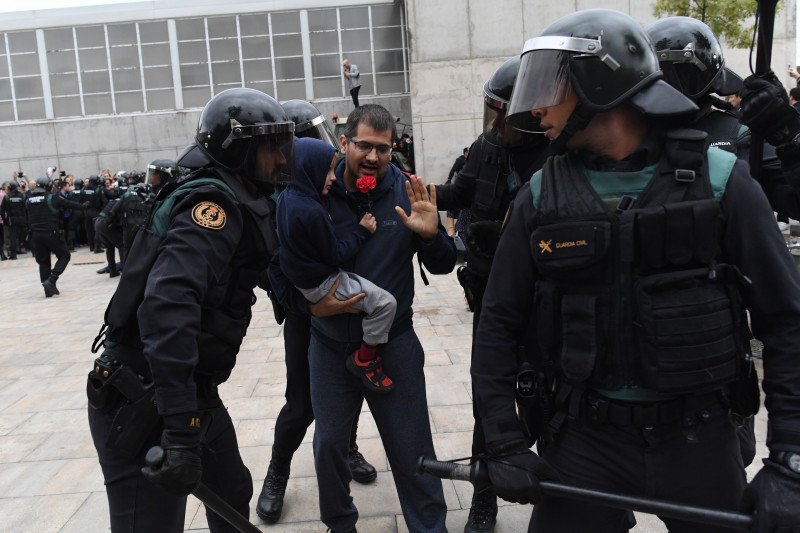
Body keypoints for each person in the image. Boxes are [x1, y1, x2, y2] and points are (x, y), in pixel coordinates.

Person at [471, 9, 800, 533]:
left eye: (550, 84)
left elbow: (786, 320)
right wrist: (503, 439)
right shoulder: (541, 195)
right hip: (584, 437)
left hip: (699, 437)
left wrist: (790, 458)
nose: (535, 109)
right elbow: (497, 324)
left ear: (598, 82)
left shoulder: (723, 181)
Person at [87, 87, 292, 533]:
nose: (282, 159)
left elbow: (247, 271)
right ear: (238, 150)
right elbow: (167, 309)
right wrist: (180, 435)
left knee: (232, 495)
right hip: (144, 398)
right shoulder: (211, 207)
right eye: (271, 147)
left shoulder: (238, 196)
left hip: (187, 393)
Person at [268, 104, 455, 533]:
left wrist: (431, 236)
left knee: (413, 452)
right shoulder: (312, 189)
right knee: (329, 445)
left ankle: (430, 528)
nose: (373, 157)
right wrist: (308, 307)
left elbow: (443, 264)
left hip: (394, 346)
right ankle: (340, 525)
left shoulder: (408, 190)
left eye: (384, 149)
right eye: (365, 146)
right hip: (329, 348)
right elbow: (275, 267)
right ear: (346, 143)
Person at [435, 55, 550, 533]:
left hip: (546, 306)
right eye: (492, 112)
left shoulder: (559, 157)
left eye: (504, 114)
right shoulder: (486, 148)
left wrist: (500, 237)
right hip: (489, 299)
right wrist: (407, 190)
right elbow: (459, 193)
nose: (495, 124)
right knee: (489, 398)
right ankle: (485, 498)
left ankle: (563, 499)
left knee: (550, 403)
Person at [256, 100, 377, 525]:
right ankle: (277, 472)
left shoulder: (335, 182)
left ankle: (347, 447)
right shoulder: (278, 197)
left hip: (344, 307)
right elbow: (270, 267)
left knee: (348, 387)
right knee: (302, 403)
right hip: (306, 314)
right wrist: (307, 304)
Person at [279, 136, 398, 392]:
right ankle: (365, 359)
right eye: (328, 170)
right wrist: (363, 231)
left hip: (302, 281)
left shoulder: (286, 198)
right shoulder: (311, 211)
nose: (333, 178)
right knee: (386, 304)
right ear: (309, 169)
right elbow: (335, 254)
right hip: (323, 286)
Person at [25, 176, 87, 297]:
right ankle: (52, 280)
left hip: (35, 235)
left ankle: (48, 289)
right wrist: (83, 206)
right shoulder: (51, 198)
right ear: (48, 186)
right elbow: (68, 203)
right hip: (51, 233)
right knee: (64, 255)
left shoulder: (28, 200)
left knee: (43, 262)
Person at [0, 181, 26, 260]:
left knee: (13, 238)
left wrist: (5, 220)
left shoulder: (7, 197)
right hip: (22, 219)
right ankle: (34, 252)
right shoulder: (23, 196)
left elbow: (1, 210)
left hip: (12, 219)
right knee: (27, 235)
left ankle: (13, 255)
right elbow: (27, 207)